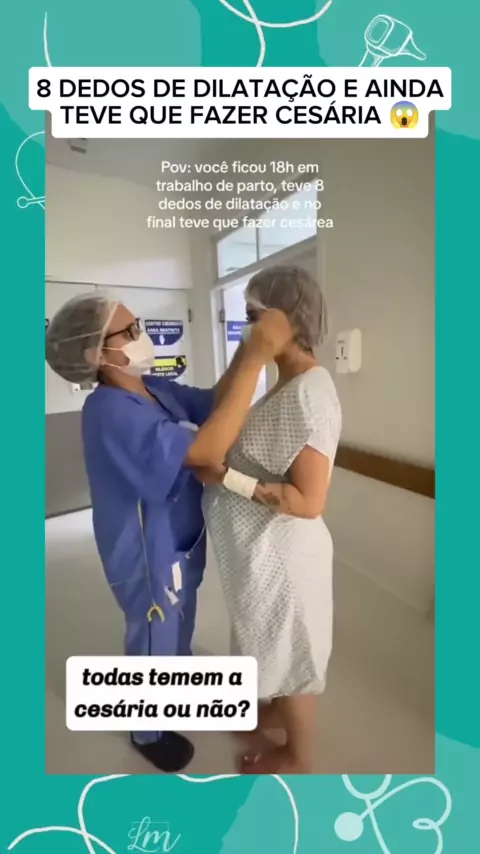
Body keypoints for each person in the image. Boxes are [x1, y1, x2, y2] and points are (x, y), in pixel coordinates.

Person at [46, 293, 292, 773]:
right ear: (96, 353)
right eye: (130, 331)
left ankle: (174, 680)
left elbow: (213, 402)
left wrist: (248, 347)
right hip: (144, 552)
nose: (142, 336)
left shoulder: (151, 388)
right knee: (154, 628)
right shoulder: (108, 409)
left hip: (178, 537)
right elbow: (204, 450)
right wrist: (258, 357)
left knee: (180, 618)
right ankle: (147, 729)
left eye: (138, 325)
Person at [202, 265, 342, 775]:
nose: (248, 328)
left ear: (286, 319)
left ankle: (297, 757)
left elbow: (309, 500)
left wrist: (224, 477)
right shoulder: (283, 384)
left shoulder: (308, 393)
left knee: (294, 657)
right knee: (270, 645)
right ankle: (271, 711)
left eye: (254, 316)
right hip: (262, 553)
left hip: (285, 558)